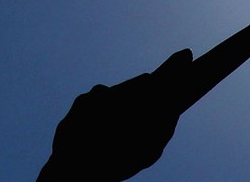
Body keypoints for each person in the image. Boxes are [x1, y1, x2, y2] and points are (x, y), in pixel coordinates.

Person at [37, 49, 194, 181]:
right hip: (128, 128)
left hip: (128, 119)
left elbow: (91, 101)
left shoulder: (69, 140)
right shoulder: (71, 145)